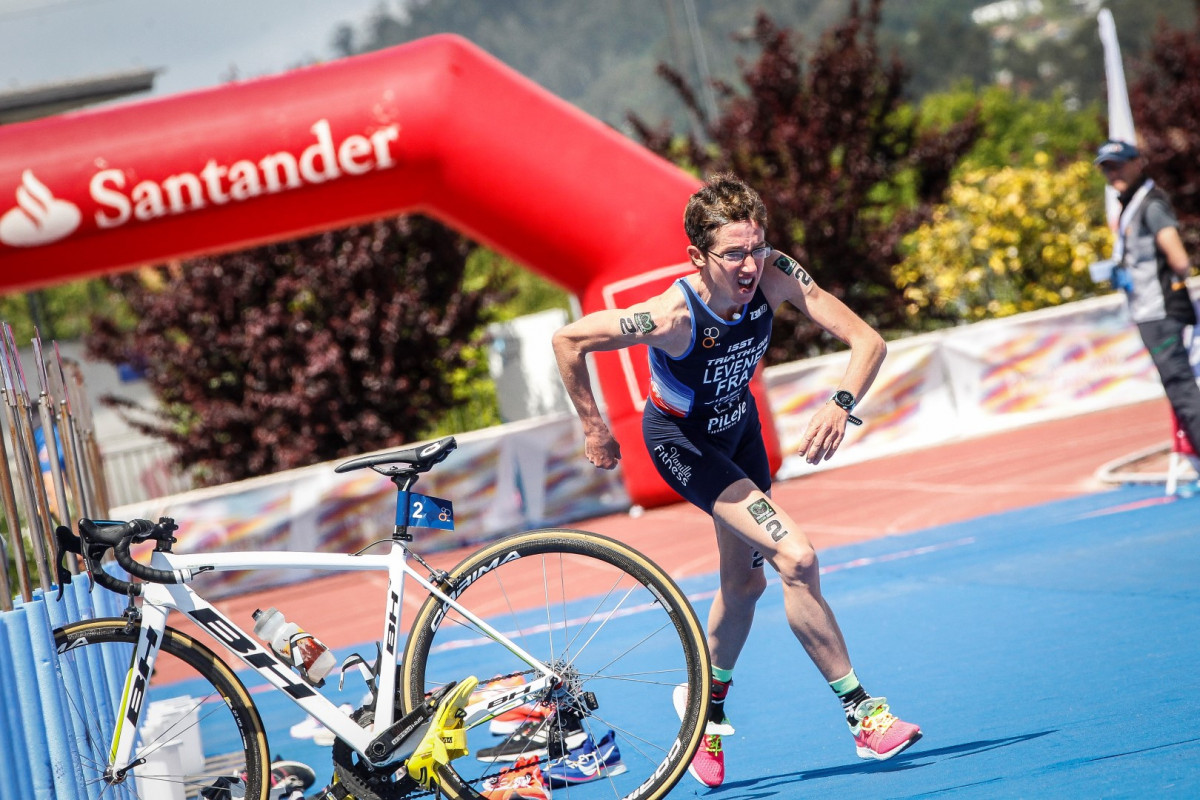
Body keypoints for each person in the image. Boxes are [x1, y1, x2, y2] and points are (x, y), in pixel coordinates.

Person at [551, 173, 921, 788]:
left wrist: (840, 403)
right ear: (697, 256)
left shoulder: (776, 273)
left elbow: (868, 341)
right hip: (685, 444)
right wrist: (594, 426)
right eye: (733, 254)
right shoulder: (670, 316)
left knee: (744, 585)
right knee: (797, 557)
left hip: (739, 432)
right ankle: (863, 715)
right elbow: (569, 339)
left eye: (757, 247)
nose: (750, 265)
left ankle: (703, 713)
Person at [1095, 140, 1200, 457]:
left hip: (1161, 310)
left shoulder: (1150, 203)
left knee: (1182, 389)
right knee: (1179, 389)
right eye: (1107, 168)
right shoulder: (1130, 204)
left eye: (1118, 166)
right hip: (1149, 310)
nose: (1113, 174)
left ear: (1136, 163)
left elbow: (1179, 260)